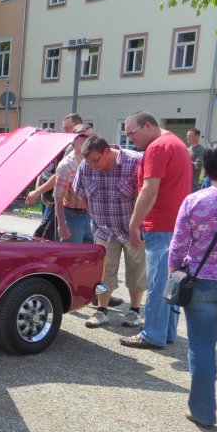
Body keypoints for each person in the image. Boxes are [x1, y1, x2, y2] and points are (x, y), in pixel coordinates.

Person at [120, 110, 192, 349]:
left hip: (160, 225)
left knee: (159, 284)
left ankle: (152, 334)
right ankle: (166, 332)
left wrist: (133, 223)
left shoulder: (158, 147)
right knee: (169, 284)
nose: (130, 138)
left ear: (148, 126)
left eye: (132, 132)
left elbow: (149, 190)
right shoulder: (175, 142)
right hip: (174, 225)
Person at [169, 140, 217, 427]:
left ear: (206, 167)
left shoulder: (195, 200)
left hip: (201, 281)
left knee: (202, 348)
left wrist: (174, 271)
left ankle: (203, 412)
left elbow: (178, 245)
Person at [76, 135, 147, 329]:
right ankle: (102, 311)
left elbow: (148, 195)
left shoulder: (135, 162)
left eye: (95, 160)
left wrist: (139, 225)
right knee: (104, 272)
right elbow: (81, 192)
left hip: (132, 230)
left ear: (106, 151)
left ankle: (134, 312)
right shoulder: (86, 166)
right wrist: (94, 216)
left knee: (136, 271)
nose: (92, 165)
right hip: (104, 230)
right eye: (88, 162)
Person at [54, 124, 94, 244]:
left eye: (92, 136)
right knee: (72, 256)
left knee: (89, 256)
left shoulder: (93, 160)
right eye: (86, 137)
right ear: (76, 140)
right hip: (73, 217)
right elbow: (58, 196)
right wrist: (61, 224)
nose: (91, 141)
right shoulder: (67, 165)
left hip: (91, 215)